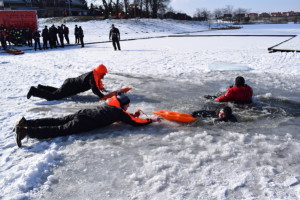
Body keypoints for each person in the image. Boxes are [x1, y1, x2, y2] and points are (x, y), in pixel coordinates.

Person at [14, 94, 162, 147]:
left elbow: (122, 116)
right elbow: (135, 123)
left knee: (57, 120)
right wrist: (152, 120)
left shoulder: (112, 106)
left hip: (83, 113)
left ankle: (27, 122)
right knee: (60, 130)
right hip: (84, 122)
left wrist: (131, 115)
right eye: (127, 104)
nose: (129, 105)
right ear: (122, 104)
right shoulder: (119, 112)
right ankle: (26, 131)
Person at [27, 64, 109, 101]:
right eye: (103, 74)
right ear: (100, 72)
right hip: (70, 86)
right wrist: (103, 97)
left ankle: (41, 87)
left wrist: (101, 88)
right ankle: (34, 91)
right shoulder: (92, 78)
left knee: (58, 91)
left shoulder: (95, 74)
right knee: (54, 96)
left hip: (70, 84)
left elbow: (98, 81)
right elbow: (94, 89)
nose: (104, 75)